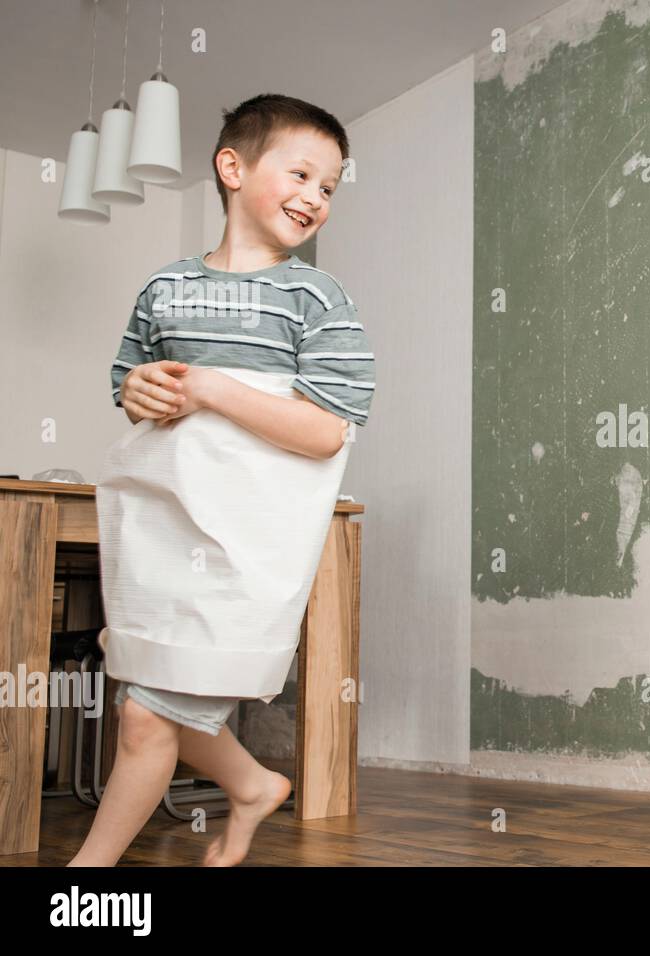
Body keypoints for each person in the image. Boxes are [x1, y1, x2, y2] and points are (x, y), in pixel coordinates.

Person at [69, 94, 376, 867]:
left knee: (144, 718)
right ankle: (252, 787)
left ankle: (83, 883)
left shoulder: (316, 296)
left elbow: (329, 428)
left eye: (331, 187)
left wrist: (211, 388)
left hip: (244, 539)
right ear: (232, 167)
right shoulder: (164, 288)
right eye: (301, 173)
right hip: (167, 530)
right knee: (157, 689)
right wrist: (139, 388)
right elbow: (128, 383)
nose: (316, 196)